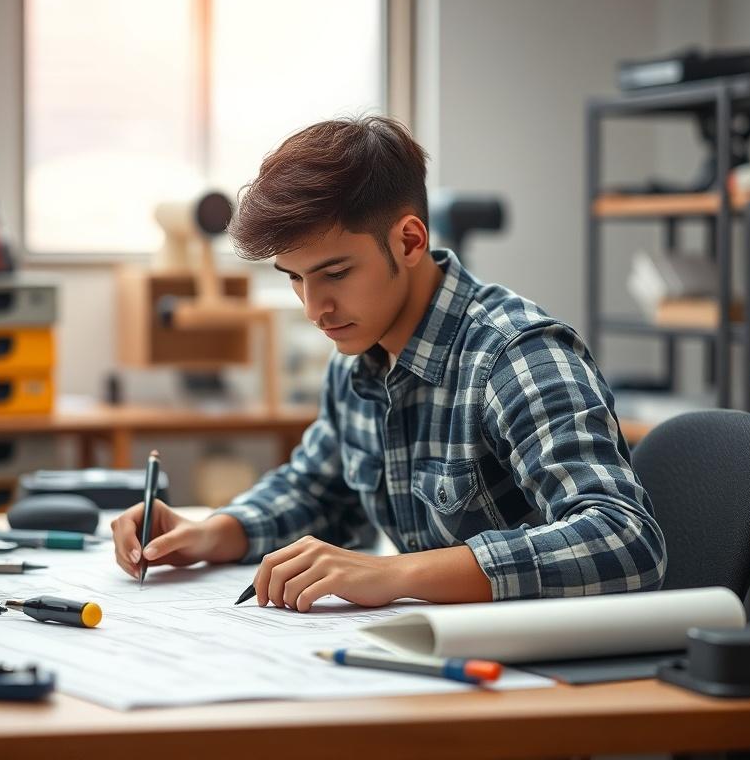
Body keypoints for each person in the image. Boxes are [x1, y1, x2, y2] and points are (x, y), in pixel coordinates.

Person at [112, 116, 666, 612]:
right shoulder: (358, 358)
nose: (314, 310)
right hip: (433, 661)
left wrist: (393, 574)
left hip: (542, 678)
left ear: (408, 240)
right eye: (295, 278)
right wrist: (211, 532)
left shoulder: (516, 356)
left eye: (334, 273)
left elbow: (625, 540)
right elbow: (315, 490)